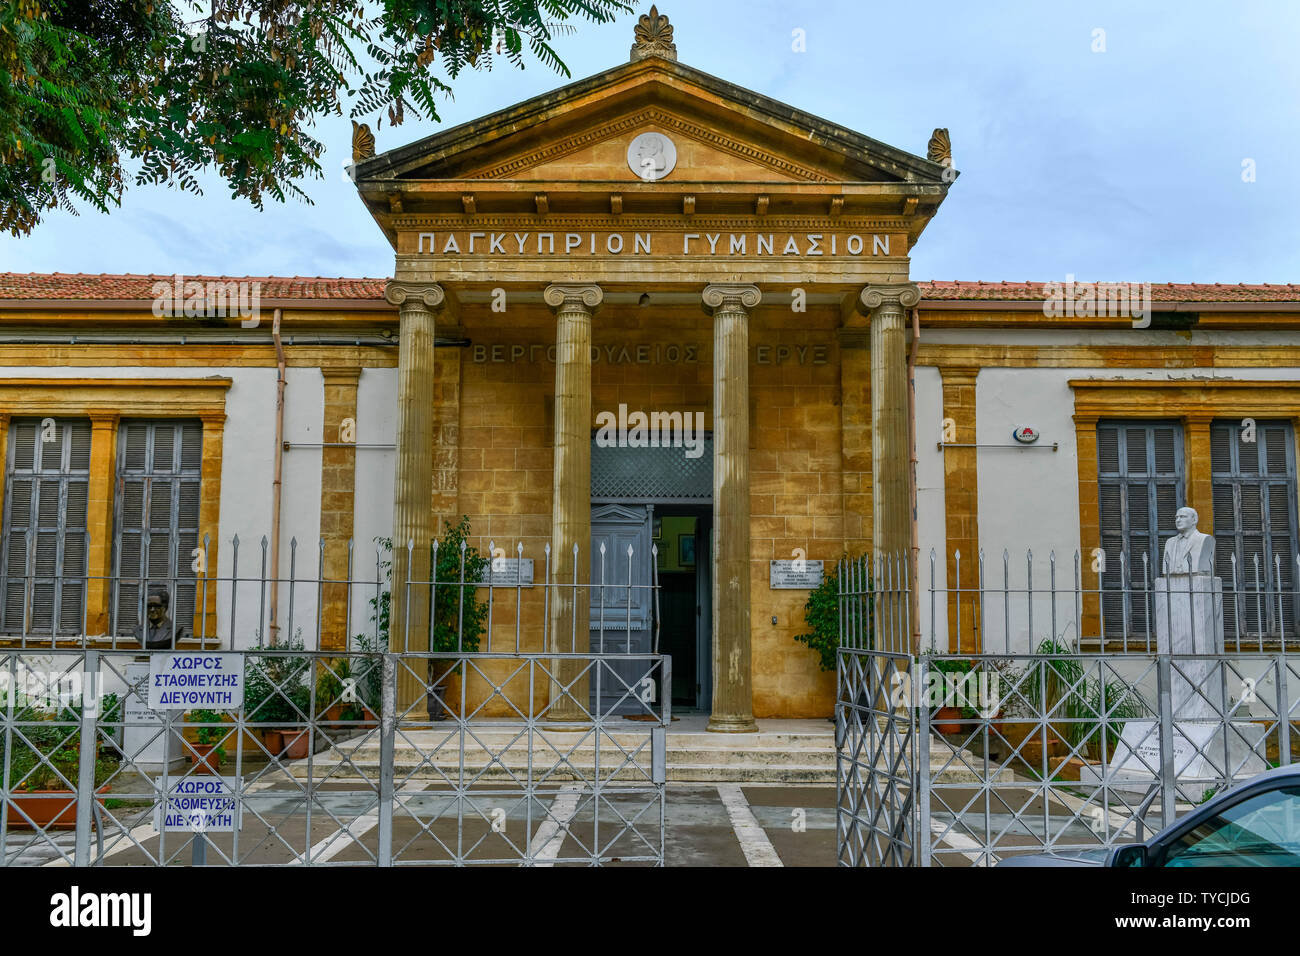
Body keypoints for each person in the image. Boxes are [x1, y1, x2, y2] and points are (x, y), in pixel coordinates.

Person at [1162, 506, 1215, 575]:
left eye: (1182, 517)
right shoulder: (1170, 542)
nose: (1178, 520)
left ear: (1194, 520)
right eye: (1176, 517)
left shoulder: (1205, 539)